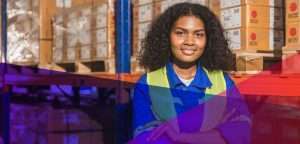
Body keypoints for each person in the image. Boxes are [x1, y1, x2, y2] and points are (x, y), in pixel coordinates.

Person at [131, 2, 251, 144]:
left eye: (198, 35)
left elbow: (243, 131)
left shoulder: (223, 82)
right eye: (180, 33)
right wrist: (215, 135)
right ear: (167, 37)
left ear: (208, 40)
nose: (189, 41)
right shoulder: (147, 84)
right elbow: (146, 138)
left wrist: (182, 137)